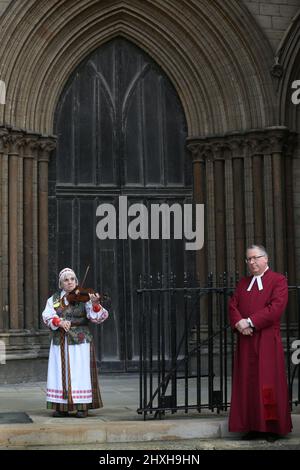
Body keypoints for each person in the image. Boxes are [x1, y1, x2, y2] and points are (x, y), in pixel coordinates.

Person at [228, 245, 292, 442]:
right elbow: (233, 305)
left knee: (268, 384)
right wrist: (239, 323)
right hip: (246, 341)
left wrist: (249, 322)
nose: (252, 262)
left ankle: (271, 428)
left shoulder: (278, 280)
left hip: (266, 341)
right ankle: (252, 425)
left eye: (256, 258)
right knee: (248, 383)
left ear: (266, 259)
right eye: (248, 259)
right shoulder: (243, 283)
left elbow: (275, 309)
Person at [42, 267, 109, 418]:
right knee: (59, 372)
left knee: (80, 372)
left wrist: (95, 304)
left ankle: (82, 406)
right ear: (61, 284)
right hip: (60, 340)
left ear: (76, 281)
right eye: (66, 280)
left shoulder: (84, 298)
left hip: (80, 341)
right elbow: (47, 315)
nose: (70, 282)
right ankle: (61, 406)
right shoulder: (54, 299)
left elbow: (97, 316)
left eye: (72, 279)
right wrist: (58, 321)